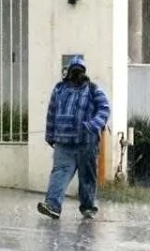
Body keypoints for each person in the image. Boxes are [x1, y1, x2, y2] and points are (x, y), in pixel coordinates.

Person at [37, 56, 111, 220]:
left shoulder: (93, 89)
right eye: (73, 70)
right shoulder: (59, 90)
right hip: (63, 143)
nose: (76, 74)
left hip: (87, 142)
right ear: (68, 72)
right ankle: (52, 205)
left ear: (84, 73)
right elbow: (51, 113)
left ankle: (88, 207)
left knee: (87, 176)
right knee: (59, 174)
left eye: (80, 70)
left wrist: (93, 124)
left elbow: (104, 109)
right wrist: (49, 135)